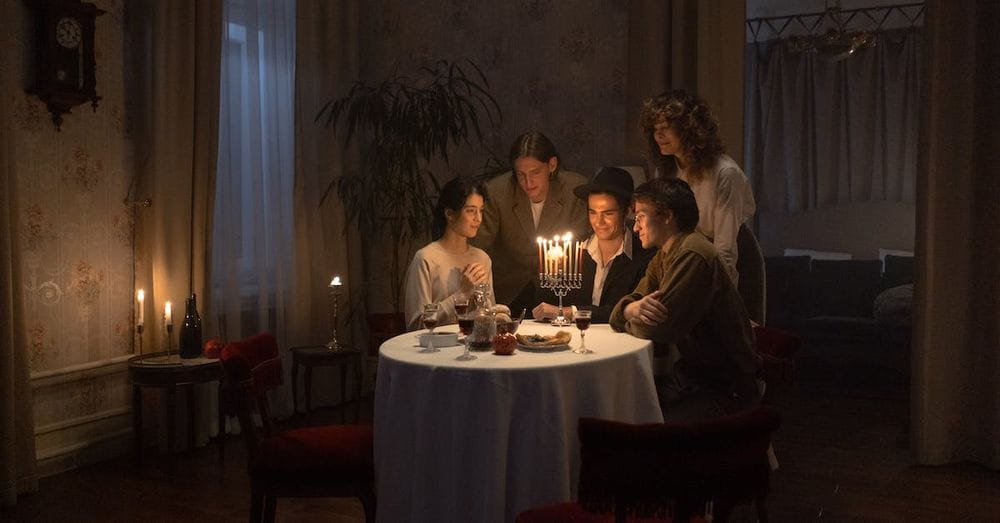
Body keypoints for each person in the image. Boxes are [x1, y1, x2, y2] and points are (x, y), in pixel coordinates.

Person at [609, 177, 761, 422]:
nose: (635, 227)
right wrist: (630, 310)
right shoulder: (665, 254)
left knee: (628, 416)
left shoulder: (693, 254)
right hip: (693, 378)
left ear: (667, 215)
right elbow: (622, 310)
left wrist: (632, 315)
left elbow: (657, 329)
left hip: (721, 389)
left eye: (640, 217)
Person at [640, 90, 766, 324]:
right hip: (689, 255)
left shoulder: (725, 174)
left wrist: (722, 301)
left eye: (666, 127)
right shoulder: (667, 170)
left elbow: (725, 250)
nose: (659, 135)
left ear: (689, 129)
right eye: (655, 129)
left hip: (731, 257)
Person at [472, 132, 589, 315]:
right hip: (510, 292)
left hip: (561, 290)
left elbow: (583, 246)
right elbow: (479, 247)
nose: (528, 182)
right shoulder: (497, 192)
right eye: (521, 174)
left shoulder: (575, 191)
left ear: (552, 165)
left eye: (535, 172)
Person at [532, 167, 656, 323]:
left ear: (627, 210)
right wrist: (552, 270)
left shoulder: (644, 254)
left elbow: (630, 309)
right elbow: (546, 306)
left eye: (608, 213)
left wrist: (571, 312)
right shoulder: (573, 251)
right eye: (593, 212)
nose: (599, 222)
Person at [403, 177, 493, 331]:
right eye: (471, 211)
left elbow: (489, 318)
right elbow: (416, 325)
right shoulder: (426, 258)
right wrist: (462, 295)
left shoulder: (482, 258)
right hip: (435, 351)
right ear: (450, 214)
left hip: (474, 349)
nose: (478, 218)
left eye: (481, 210)